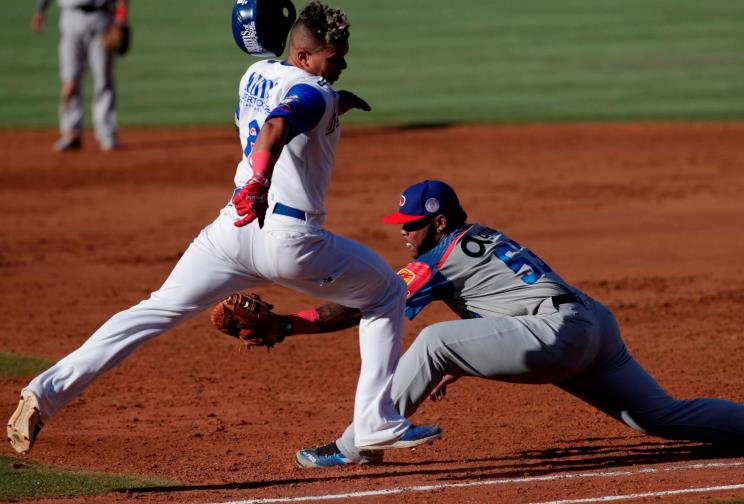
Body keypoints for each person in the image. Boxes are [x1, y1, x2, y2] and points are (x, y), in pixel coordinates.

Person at [7, 1, 441, 456]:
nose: (343, 63)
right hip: (289, 240)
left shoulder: (255, 76)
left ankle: (45, 392)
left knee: (152, 311)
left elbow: (268, 115)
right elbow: (276, 126)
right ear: (304, 57)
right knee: (387, 293)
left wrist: (337, 103)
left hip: (231, 233)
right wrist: (261, 179)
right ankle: (373, 421)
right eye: (334, 57)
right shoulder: (313, 92)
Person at [216, 179, 744, 468]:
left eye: (409, 223)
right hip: (590, 324)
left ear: (436, 221)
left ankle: (354, 447)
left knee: (432, 341)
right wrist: (473, 348)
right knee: (661, 417)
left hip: (556, 336)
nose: (401, 231)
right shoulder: (479, 238)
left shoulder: (442, 254)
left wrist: (287, 326)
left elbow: (361, 307)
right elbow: (492, 306)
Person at [31, 0, 129, 152]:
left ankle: (107, 133)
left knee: (104, 79)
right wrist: (40, 10)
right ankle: (71, 132)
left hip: (102, 18)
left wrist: (121, 19)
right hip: (71, 18)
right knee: (70, 80)